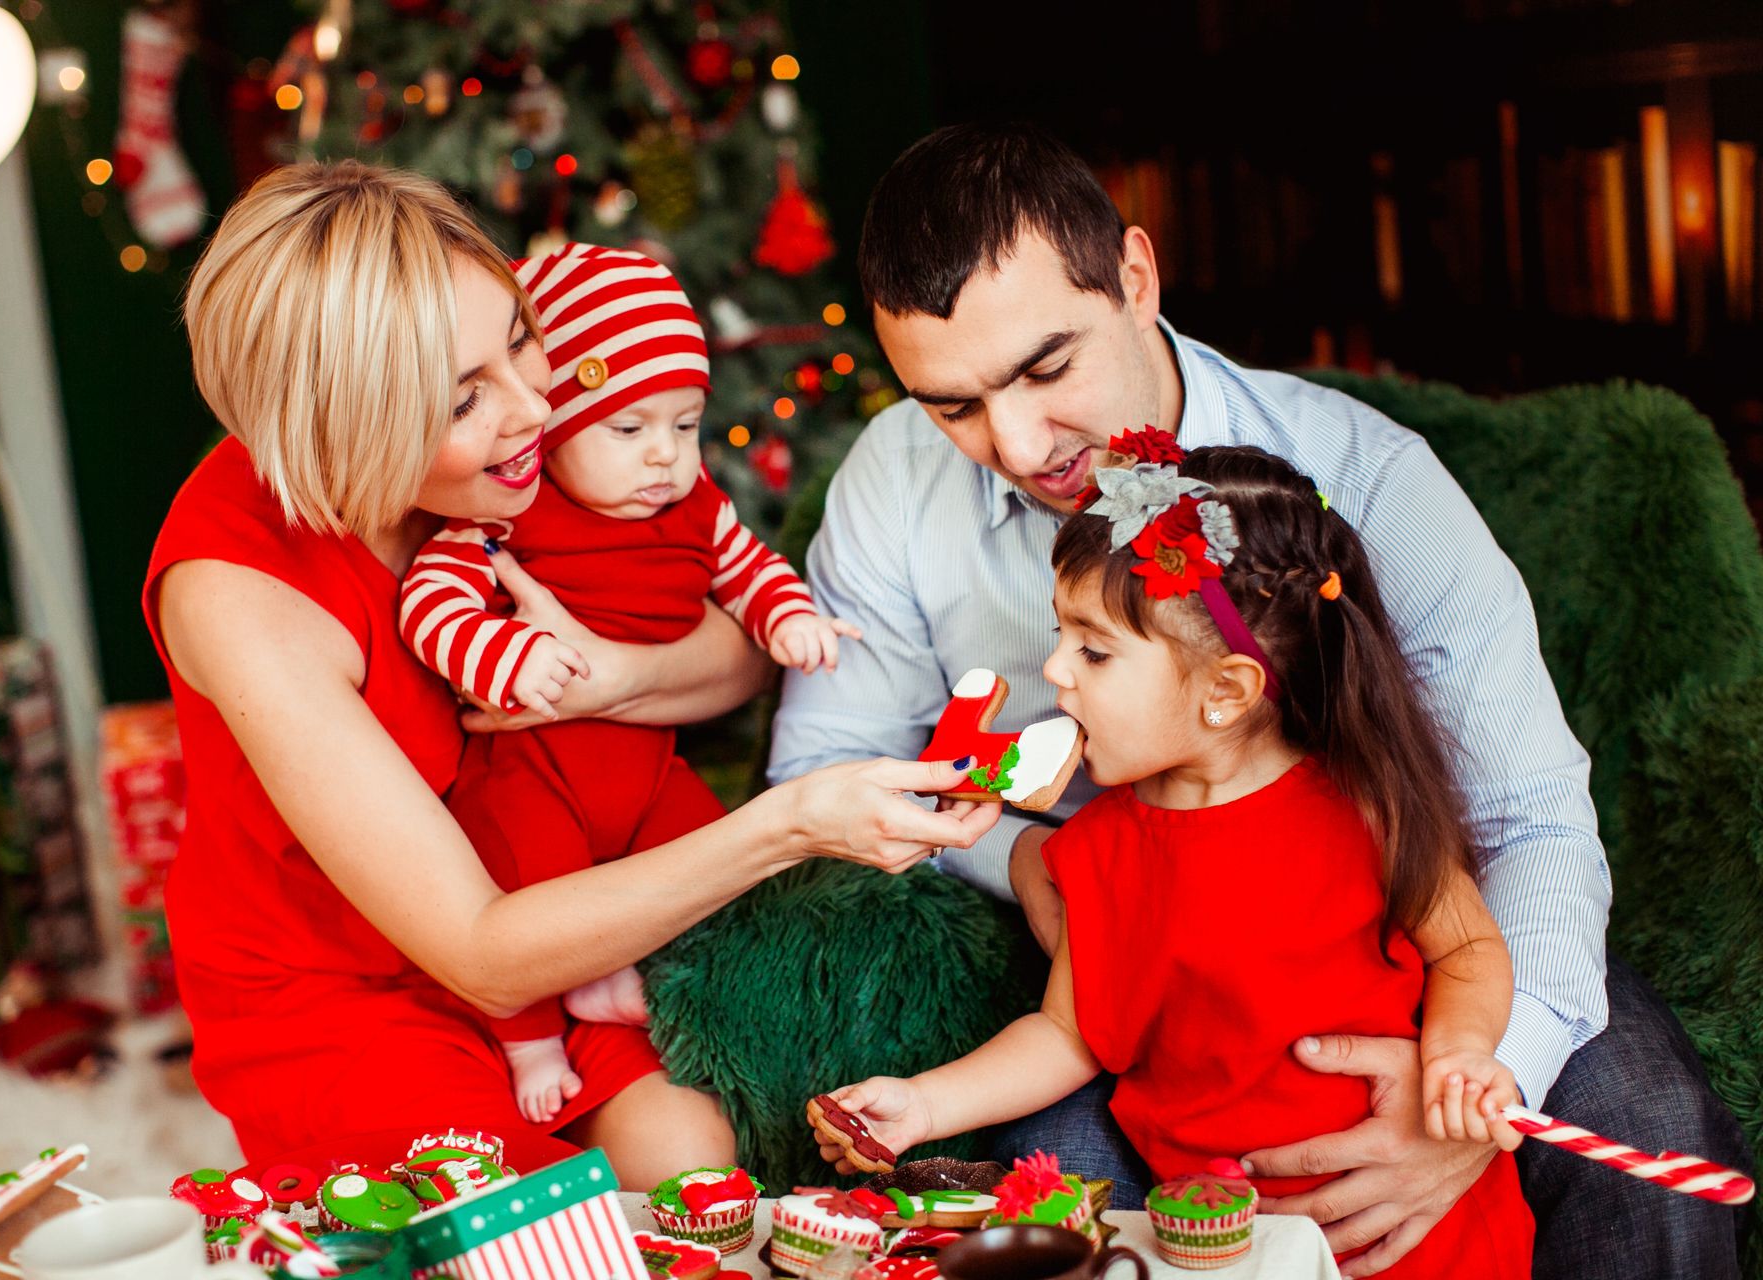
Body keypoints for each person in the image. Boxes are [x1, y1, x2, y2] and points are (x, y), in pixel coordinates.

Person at [770, 123, 1750, 1277]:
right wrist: (1026, 860)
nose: (1020, 444)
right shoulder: (894, 479)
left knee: (1642, 1110)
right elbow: (823, 783)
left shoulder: (1373, 480)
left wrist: (1470, 1090)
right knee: (1054, 1185)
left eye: (1046, 368)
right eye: (953, 405)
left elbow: (1528, 820)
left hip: (1397, 951)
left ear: (1135, 277)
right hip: (1136, 956)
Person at [149, 161, 998, 1184]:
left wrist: (607, 677)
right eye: (467, 397)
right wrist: (790, 826)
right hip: (361, 981)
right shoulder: (241, 596)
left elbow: (730, 654)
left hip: (559, 910)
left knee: (694, 1161)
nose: (534, 405)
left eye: (519, 338)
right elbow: (479, 948)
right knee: (525, 1223)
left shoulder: (521, 442)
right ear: (350, 429)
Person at [818, 438, 1534, 1277]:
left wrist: (1459, 1053)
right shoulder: (1098, 852)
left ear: (1225, 692)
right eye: (1062, 635)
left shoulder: (1366, 812)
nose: (1054, 671)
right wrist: (922, 1103)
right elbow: (1066, 1034)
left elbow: (1471, 948)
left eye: (1093, 650)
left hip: (1422, 1242)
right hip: (1225, 1244)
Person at [399, 241, 859, 1125]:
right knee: (528, 874)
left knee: (711, 858)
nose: (664, 458)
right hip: (542, 771)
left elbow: (748, 569)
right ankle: (530, 1041)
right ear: (559, 425)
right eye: (630, 429)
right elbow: (432, 602)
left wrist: (789, 617)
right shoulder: (514, 514)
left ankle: (656, 979)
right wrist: (506, 657)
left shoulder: (696, 508)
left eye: (685, 426)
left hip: (645, 768)